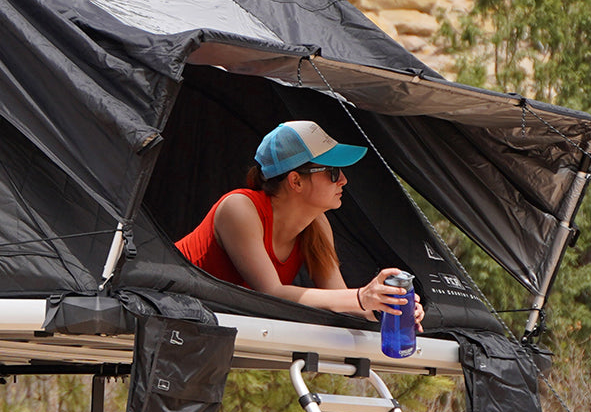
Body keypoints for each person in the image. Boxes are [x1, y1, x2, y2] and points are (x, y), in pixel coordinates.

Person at [175, 120, 422, 325]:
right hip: (168, 308)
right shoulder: (239, 207)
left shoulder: (318, 224)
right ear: (296, 181)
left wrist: (387, 307)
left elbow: (338, 300)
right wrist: (362, 297)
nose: (344, 180)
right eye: (333, 171)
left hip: (205, 325)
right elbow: (270, 293)